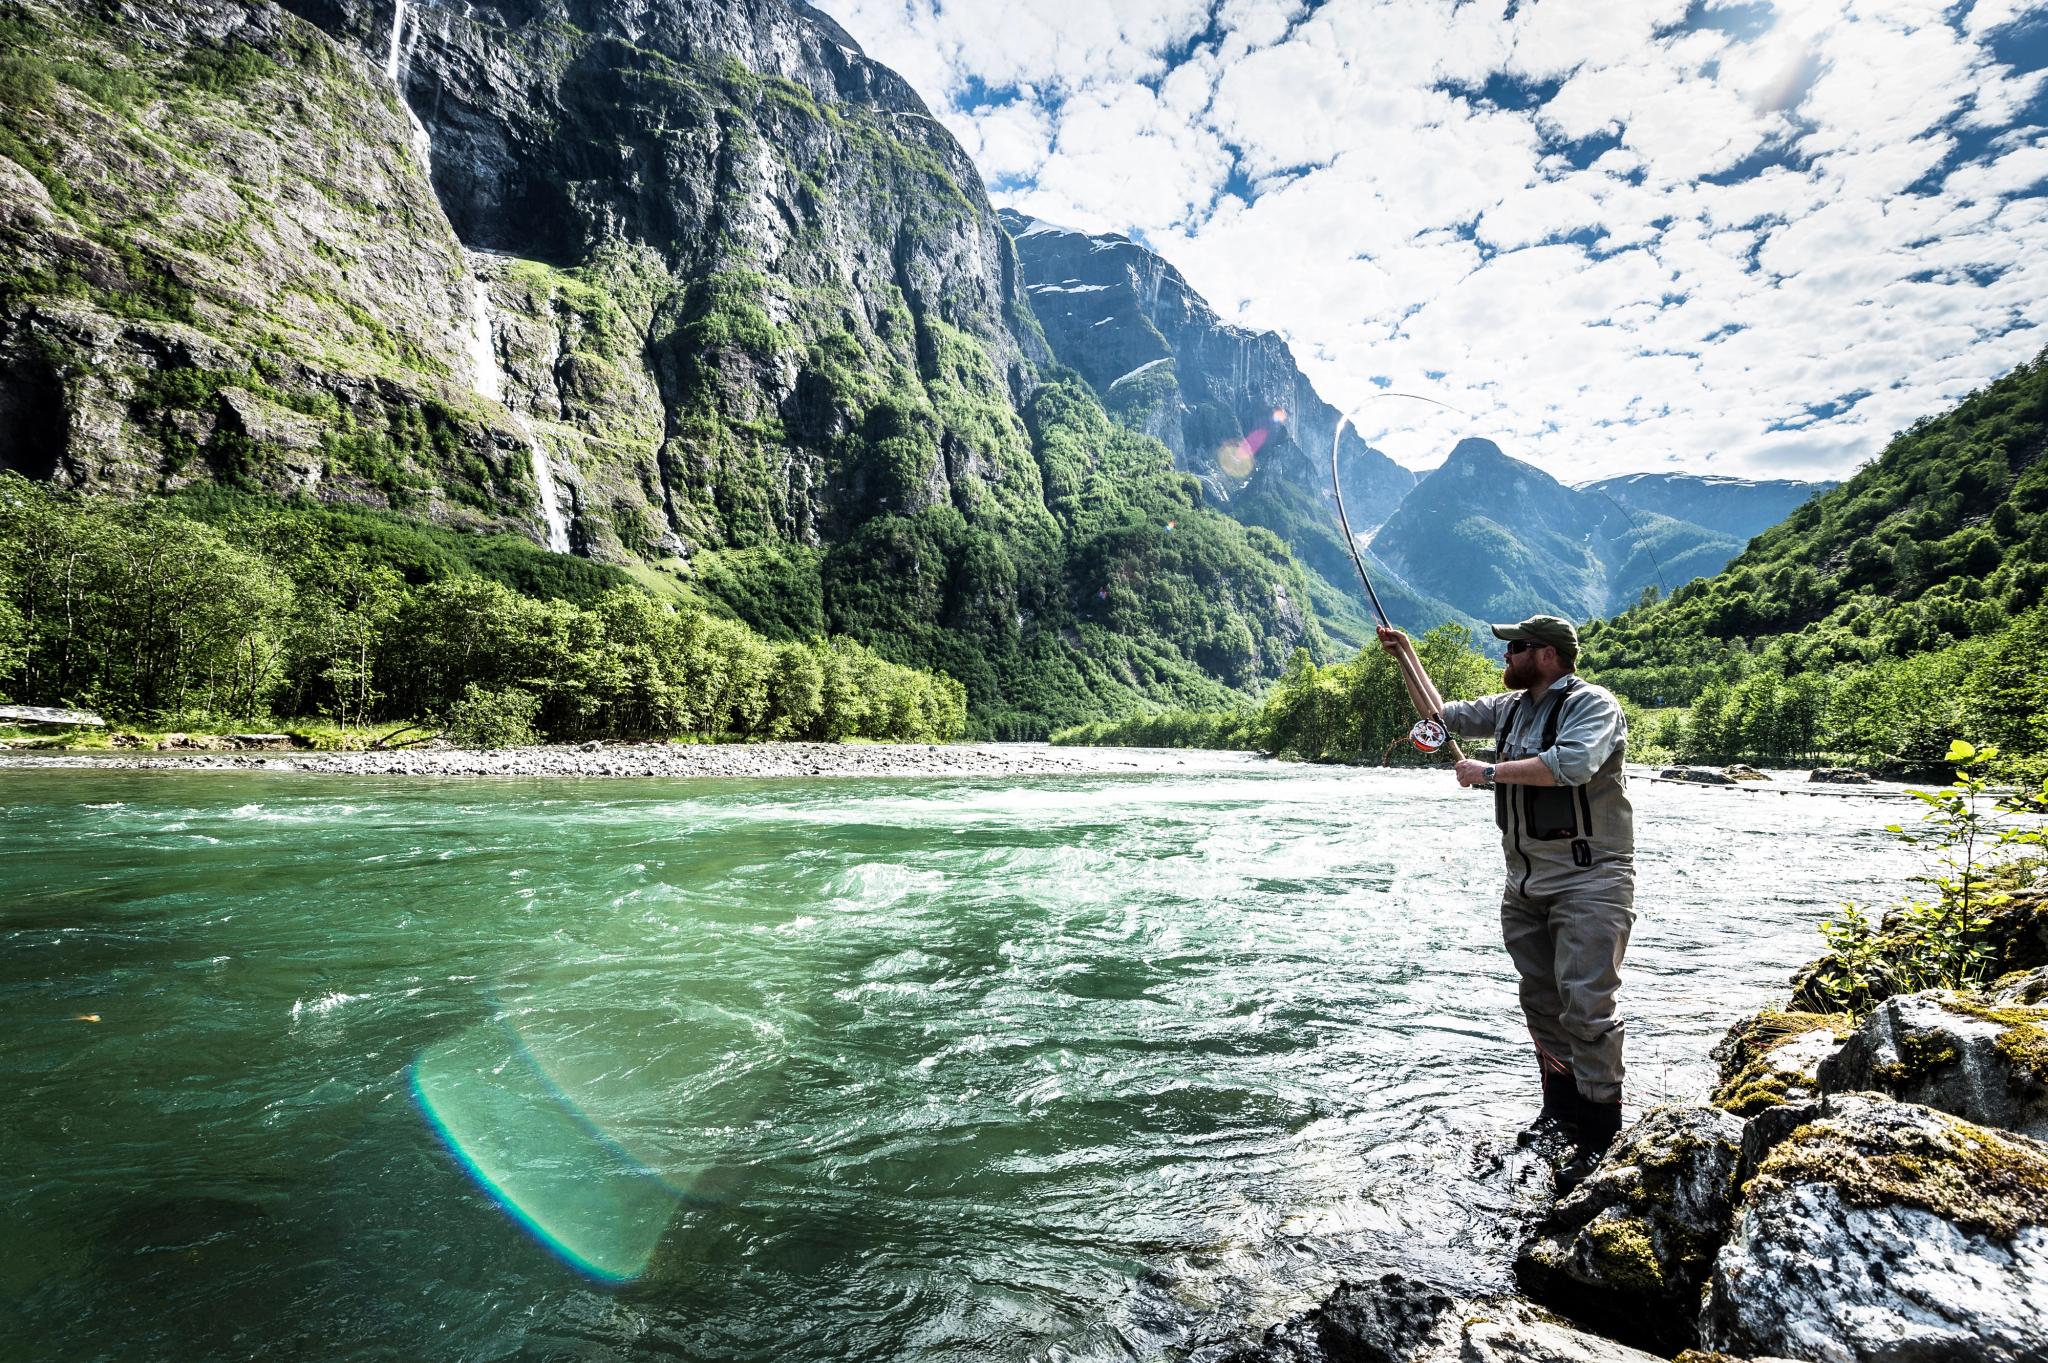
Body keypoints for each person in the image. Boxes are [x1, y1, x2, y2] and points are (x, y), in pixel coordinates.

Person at [1378, 615, 1634, 1188]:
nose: (1506, 657)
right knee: (1541, 1001)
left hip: (1590, 879)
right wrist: (1405, 656)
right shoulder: (1511, 708)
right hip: (1524, 884)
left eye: (1515, 648)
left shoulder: (1593, 704)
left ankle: (1600, 1134)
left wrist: (1487, 771)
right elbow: (1438, 719)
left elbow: (1570, 765)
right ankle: (1560, 1113)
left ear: (1546, 655)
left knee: (1587, 1006)